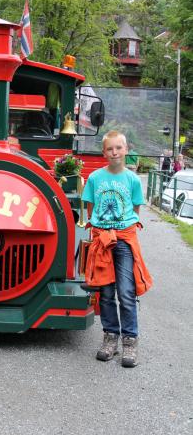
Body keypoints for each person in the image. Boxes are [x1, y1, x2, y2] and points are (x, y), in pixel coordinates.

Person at [82, 130, 153, 368]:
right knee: (106, 291)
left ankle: (130, 341)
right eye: (110, 149)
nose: (114, 152)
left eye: (118, 148)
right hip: (102, 240)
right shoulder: (94, 178)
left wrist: (119, 229)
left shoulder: (132, 180)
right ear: (104, 152)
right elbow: (91, 212)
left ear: (126, 150)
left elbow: (134, 211)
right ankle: (110, 337)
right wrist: (104, 232)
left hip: (123, 240)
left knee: (125, 291)